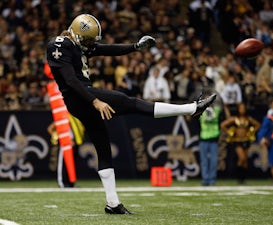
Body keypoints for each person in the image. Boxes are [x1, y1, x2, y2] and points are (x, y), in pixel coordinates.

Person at [46, 14, 217, 214]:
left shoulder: (77, 44)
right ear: (76, 34)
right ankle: (191, 109)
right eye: (88, 40)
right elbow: (71, 81)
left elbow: (108, 49)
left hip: (81, 100)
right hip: (81, 97)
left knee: (103, 148)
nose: (91, 44)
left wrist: (135, 47)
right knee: (131, 103)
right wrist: (96, 101)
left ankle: (113, 203)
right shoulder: (58, 45)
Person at [221, 103, 261, 184]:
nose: (242, 109)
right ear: (238, 109)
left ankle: (243, 178)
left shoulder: (248, 119)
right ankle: (239, 177)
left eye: (243, 108)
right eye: (240, 108)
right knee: (241, 158)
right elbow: (223, 125)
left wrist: (251, 131)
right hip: (237, 141)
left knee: (245, 160)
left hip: (246, 140)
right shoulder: (234, 119)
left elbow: (258, 125)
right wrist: (230, 132)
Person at [198, 93, 223, 186]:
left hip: (213, 138)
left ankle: (212, 179)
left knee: (213, 161)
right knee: (204, 161)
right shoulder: (200, 110)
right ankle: (205, 179)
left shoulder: (216, 110)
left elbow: (223, 109)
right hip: (203, 137)